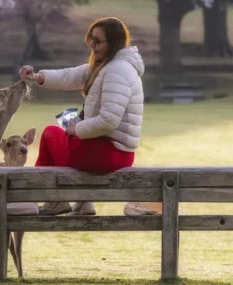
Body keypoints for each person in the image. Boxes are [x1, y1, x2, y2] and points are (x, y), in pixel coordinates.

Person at [20, 16, 153, 217]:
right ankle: (83, 202)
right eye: (91, 40)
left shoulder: (117, 70)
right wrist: (37, 77)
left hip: (111, 154)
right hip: (111, 149)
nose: (92, 45)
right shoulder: (107, 65)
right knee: (66, 119)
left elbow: (109, 120)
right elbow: (69, 76)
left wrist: (77, 129)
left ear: (113, 42)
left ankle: (55, 200)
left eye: (97, 41)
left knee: (50, 134)